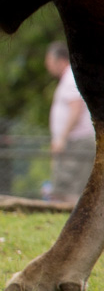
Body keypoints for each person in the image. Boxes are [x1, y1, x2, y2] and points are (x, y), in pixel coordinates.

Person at [47, 42, 94, 204]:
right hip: (73, 141)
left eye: (50, 62)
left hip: (76, 142)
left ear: (59, 61)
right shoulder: (69, 78)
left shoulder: (71, 78)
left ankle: (73, 226)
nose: (48, 67)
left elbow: (76, 108)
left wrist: (62, 138)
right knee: (63, 188)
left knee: (71, 188)